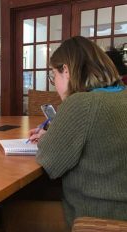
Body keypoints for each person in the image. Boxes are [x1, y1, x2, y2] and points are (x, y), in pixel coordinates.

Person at [24, 36, 127, 229]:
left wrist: (48, 139)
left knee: (9, 211)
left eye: (53, 75)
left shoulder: (81, 103)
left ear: (67, 70)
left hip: (96, 219)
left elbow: (49, 162)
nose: (54, 84)